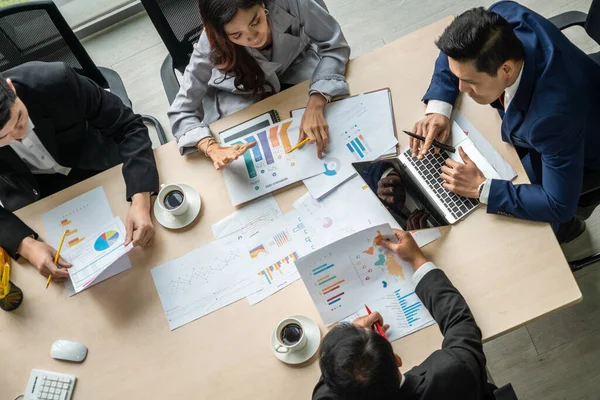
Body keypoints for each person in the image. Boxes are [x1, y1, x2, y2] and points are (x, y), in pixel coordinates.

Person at [411, 2, 600, 242]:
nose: (460, 88)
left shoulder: (552, 120)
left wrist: (481, 188)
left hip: (580, 150)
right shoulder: (501, 15)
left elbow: (558, 204)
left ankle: (567, 232)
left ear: (507, 70)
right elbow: (454, 52)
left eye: (471, 82)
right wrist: (439, 107)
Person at [0, 62, 159, 280]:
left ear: (12, 88)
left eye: (19, 119)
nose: (18, 136)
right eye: (2, 138)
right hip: (34, 193)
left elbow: (128, 127)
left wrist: (141, 199)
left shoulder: (56, 81)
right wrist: (25, 245)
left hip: (96, 166)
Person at [313, 230, 493, 400]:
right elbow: (460, 325)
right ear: (397, 360)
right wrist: (418, 259)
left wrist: (345, 347)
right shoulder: (454, 372)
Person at [168, 0, 350, 167]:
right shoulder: (210, 41)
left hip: (296, 67)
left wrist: (318, 100)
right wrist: (211, 148)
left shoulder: (291, 2)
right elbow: (181, 110)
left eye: (255, 21)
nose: (253, 38)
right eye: (236, 34)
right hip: (242, 91)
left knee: (336, 123)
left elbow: (335, 45)